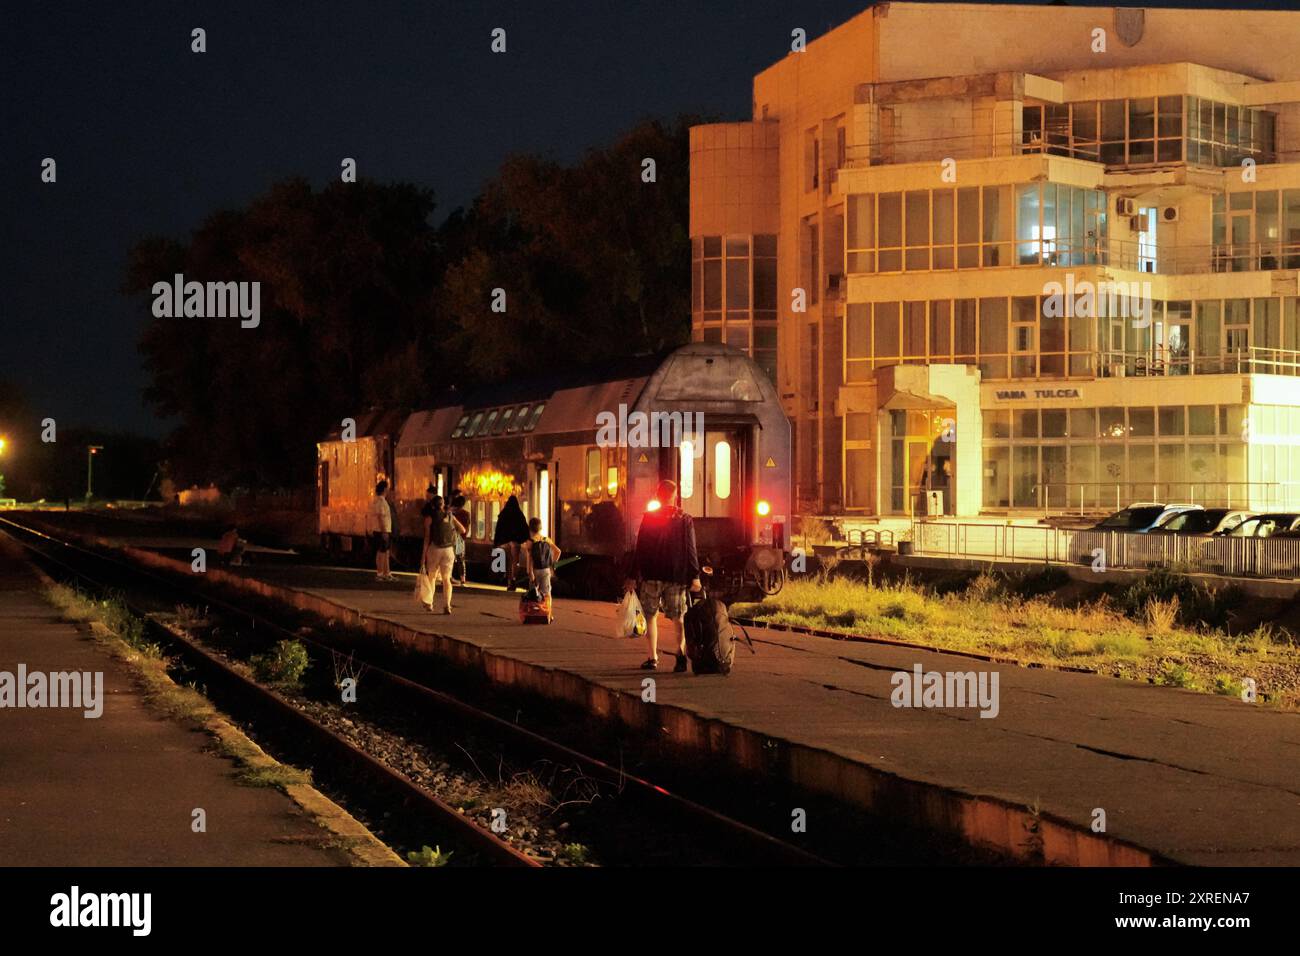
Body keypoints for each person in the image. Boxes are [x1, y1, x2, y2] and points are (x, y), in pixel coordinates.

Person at [623, 478, 701, 671]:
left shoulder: (649, 518)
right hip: (676, 576)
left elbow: (639, 548)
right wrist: (695, 576)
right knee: (678, 617)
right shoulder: (685, 519)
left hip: (652, 575)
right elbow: (691, 550)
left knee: (650, 616)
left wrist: (633, 576)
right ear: (675, 496)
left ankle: (653, 657)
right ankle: (680, 654)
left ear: (658, 495)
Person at [421, 489, 466, 614]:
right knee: (446, 579)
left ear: (432, 505)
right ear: (442, 505)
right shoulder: (450, 515)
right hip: (448, 551)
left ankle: (429, 603)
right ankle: (447, 606)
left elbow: (427, 538)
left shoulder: (429, 518)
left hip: (435, 549)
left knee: (432, 577)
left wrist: (423, 556)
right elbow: (462, 530)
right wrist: (452, 531)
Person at [493, 494, 530, 590]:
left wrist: (496, 542)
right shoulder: (519, 514)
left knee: (508, 561)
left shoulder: (503, 513)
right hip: (515, 542)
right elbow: (524, 528)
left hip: (505, 542)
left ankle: (508, 581)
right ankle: (513, 579)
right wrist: (526, 539)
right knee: (515, 562)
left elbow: (498, 528)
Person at [522, 517, 561, 605]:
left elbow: (530, 558)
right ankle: (547, 613)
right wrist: (552, 565)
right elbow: (558, 551)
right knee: (547, 594)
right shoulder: (546, 539)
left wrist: (530, 572)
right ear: (540, 528)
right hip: (546, 570)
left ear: (530, 528)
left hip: (535, 570)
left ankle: (535, 613)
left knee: (534, 594)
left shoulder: (530, 541)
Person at [371, 479, 395, 582]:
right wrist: (384, 531)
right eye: (388, 488)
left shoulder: (381, 501)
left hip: (383, 530)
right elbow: (381, 517)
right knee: (381, 552)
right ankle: (380, 573)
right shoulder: (380, 502)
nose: (389, 490)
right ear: (385, 489)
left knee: (386, 552)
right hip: (381, 530)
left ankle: (386, 572)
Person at [450, 494, 471, 585]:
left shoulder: (451, 513)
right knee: (460, 559)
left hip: (450, 538)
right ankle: (463, 579)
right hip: (460, 539)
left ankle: (448, 577)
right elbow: (467, 528)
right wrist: (464, 536)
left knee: (450, 559)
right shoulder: (466, 514)